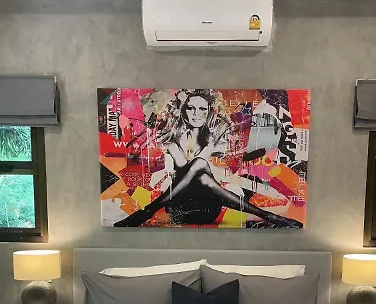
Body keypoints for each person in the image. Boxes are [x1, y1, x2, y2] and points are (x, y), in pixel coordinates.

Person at [114, 89, 302, 228]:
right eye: (191, 108)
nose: (196, 114)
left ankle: (146, 211)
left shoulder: (213, 141)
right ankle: (269, 216)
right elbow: (186, 173)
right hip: (179, 207)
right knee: (201, 171)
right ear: (183, 111)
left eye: (202, 109)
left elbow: (200, 167)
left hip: (209, 207)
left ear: (209, 112)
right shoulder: (172, 142)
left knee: (201, 171)